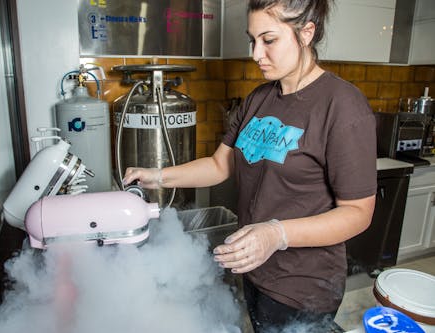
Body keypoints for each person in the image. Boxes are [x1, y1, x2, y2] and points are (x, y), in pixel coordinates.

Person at [122, 0, 377, 331]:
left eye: (269, 40)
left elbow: (358, 212)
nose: (256, 53)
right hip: (255, 271)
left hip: (303, 288)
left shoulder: (342, 106)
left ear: (306, 33)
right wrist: (157, 176)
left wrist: (276, 234)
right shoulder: (259, 98)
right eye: (252, 40)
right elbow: (219, 165)